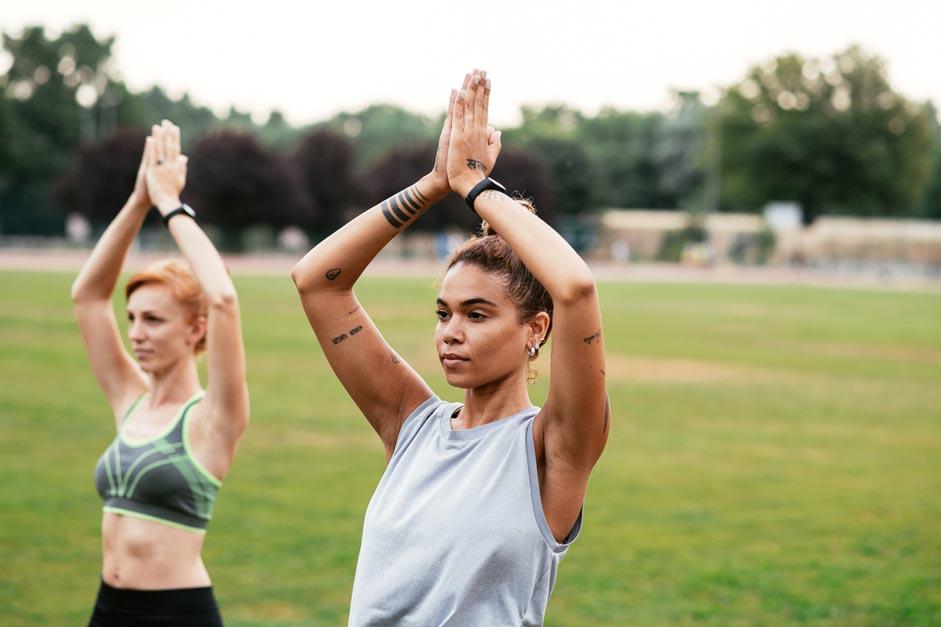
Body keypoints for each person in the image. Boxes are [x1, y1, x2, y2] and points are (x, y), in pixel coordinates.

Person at [292, 71, 609, 625]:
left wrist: (478, 188)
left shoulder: (554, 444)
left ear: (535, 331)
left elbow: (576, 288)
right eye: (444, 313)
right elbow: (318, 279)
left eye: (477, 314)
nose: (449, 332)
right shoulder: (411, 423)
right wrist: (435, 183)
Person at [72, 120, 249, 626]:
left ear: (196, 330)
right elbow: (87, 297)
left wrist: (171, 206)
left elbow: (223, 298)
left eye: (153, 319)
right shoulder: (129, 398)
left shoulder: (214, 418)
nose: (136, 333)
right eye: (132, 319)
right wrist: (138, 202)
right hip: (108, 608)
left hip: (177, 614)